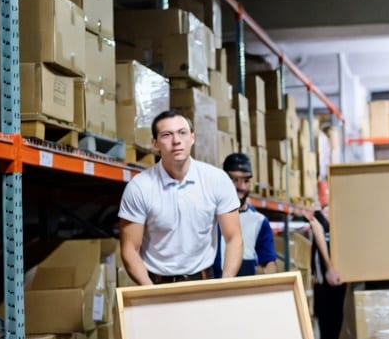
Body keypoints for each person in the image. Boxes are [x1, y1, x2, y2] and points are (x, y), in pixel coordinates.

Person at [119, 110, 243, 285]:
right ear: (154, 143)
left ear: (192, 137)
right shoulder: (139, 187)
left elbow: (234, 238)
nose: (176, 141)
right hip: (157, 284)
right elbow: (130, 248)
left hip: (204, 282)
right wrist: (150, 290)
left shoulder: (216, 180)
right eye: (167, 135)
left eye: (182, 133)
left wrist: (226, 282)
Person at [215, 152, 279, 277]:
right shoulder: (211, 217)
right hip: (211, 289)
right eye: (234, 180)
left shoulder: (259, 221)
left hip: (243, 291)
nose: (241, 186)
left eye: (246, 180)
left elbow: (268, 262)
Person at [308, 200, 345, 339]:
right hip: (324, 283)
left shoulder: (341, 218)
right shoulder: (319, 219)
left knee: (336, 324)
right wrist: (329, 267)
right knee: (327, 327)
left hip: (340, 283)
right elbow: (319, 237)